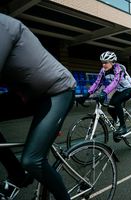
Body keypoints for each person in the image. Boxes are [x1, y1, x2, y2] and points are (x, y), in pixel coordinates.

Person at [0, 14, 76, 199]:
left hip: (57, 91)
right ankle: (17, 175)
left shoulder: (3, 25)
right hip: (28, 94)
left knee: (32, 159)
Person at [79, 51, 131, 142]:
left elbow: (115, 82)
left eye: (106, 62)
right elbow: (97, 83)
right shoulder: (103, 71)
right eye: (102, 62)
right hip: (120, 90)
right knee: (110, 108)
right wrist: (87, 94)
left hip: (130, 88)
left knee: (116, 102)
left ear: (113, 62)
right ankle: (117, 122)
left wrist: (104, 93)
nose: (104, 65)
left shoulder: (119, 68)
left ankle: (123, 126)